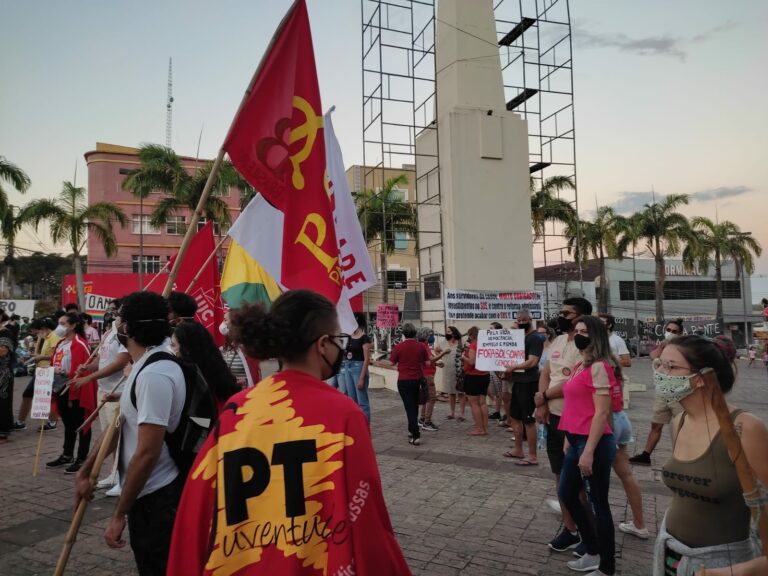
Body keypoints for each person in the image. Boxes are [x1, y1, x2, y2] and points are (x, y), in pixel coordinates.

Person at [166, 289, 411, 575]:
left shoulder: (237, 409)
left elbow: (197, 509)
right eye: (338, 340)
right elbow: (368, 519)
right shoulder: (344, 414)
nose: (340, 349)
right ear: (323, 344)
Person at [74, 291, 186, 576]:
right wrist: (87, 470)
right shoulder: (141, 366)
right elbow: (122, 424)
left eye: (119, 316)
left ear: (127, 327)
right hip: (145, 494)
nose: (116, 321)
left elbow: (148, 452)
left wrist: (119, 513)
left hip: (156, 495)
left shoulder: (154, 374)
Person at [652, 335, 768, 575]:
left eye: (670, 367)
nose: (661, 373)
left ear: (701, 378)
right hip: (670, 552)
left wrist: (746, 570)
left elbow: (764, 509)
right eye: (659, 364)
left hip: (723, 563)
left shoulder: (745, 428)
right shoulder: (678, 422)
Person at [557, 315, 621, 575]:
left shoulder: (600, 367)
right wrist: (567, 437)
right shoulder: (581, 364)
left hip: (593, 442)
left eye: (584, 331)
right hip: (575, 439)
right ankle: (592, 548)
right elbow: (573, 403)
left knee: (598, 503)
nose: (578, 334)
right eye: (577, 330)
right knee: (567, 493)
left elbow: (601, 412)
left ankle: (606, 566)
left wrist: (589, 450)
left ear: (595, 336)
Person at [535, 296, 593, 552]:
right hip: (553, 417)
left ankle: (587, 533)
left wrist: (545, 396)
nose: (562, 317)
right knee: (560, 477)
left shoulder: (587, 345)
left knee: (578, 484)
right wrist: (542, 403)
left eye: (567, 314)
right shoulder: (558, 340)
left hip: (576, 421)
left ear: (581, 317)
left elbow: (575, 382)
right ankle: (569, 529)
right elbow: (547, 372)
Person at [69, 299, 131, 496]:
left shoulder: (124, 334)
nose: (113, 313)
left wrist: (90, 378)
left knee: (120, 437)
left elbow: (120, 362)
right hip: (104, 390)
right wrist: (89, 367)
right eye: (113, 310)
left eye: (116, 310)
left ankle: (124, 478)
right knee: (108, 435)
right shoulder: (109, 332)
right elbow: (103, 359)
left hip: (117, 389)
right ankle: (114, 474)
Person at [598, 314, 648, 541]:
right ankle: (640, 524)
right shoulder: (610, 358)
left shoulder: (597, 361)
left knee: (587, 474)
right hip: (620, 418)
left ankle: (582, 516)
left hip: (606, 421)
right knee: (626, 473)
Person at [630, 318, 685, 465]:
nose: (670, 333)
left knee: (681, 425)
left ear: (680, 334)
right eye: (669, 330)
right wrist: (662, 347)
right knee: (656, 424)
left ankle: (683, 457)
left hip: (679, 392)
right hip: (662, 391)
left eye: (674, 332)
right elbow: (653, 356)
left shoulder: (684, 347)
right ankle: (646, 455)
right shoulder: (663, 345)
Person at [46, 313, 96, 473]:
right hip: (60, 387)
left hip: (76, 389)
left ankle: (82, 458)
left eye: (63, 323)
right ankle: (67, 454)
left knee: (81, 423)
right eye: (58, 323)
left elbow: (84, 370)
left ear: (73, 325)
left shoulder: (80, 344)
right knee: (68, 423)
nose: (59, 326)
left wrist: (69, 375)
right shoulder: (61, 343)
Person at [375, 323, 430, 446]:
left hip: (404, 380)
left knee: (409, 407)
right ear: (415, 333)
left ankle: (415, 435)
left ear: (404, 333)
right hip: (418, 380)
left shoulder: (399, 347)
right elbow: (427, 363)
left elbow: (390, 363)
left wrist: (378, 363)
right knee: (414, 406)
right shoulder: (421, 346)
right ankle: (411, 429)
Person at [172, 320, 240, 413]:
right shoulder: (219, 371)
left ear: (187, 349)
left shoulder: (189, 379)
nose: (171, 350)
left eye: (173, 345)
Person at [503, 309, 543, 466]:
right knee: (515, 417)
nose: (520, 323)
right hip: (518, 381)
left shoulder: (535, 338)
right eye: (518, 321)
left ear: (530, 319)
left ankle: (532, 455)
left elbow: (532, 362)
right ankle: (518, 449)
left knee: (528, 419)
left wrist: (513, 367)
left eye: (523, 320)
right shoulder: (520, 337)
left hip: (529, 382)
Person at [219, 310, 262, 389]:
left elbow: (253, 376)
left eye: (225, 320)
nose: (222, 324)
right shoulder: (223, 348)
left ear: (235, 323)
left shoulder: (247, 349)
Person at [343, 313, 373, 422]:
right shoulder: (348, 336)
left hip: (358, 368)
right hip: (348, 366)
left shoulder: (364, 338)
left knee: (362, 402)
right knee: (352, 400)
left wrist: (361, 377)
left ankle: (365, 426)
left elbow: (367, 359)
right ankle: (356, 425)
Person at [462, 326, 490, 437]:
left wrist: (463, 357)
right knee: (482, 402)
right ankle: (485, 428)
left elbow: (472, 361)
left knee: (474, 403)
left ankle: (479, 428)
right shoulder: (485, 344)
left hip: (474, 376)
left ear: (471, 335)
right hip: (484, 375)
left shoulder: (474, 344)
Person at [418, 327, 448, 432]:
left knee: (427, 398)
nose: (432, 337)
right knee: (431, 398)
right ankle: (427, 421)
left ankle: (422, 418)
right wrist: (443, 353)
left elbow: (428, 361)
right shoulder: (424, 346)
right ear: (426, 336)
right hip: (427, 376)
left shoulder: (423, 346)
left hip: (427, 374)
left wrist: (437, 364)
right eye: (430, 335)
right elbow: (430, 360)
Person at [435, 326, 463, 420]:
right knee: (451, 392)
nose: (448, 333)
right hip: (447, 370)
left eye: (449, 331)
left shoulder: (460, 342)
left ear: (454, 332)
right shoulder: (443, 343)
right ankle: (452, 412)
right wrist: (440, 358)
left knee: (461, 392)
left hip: (459, 371)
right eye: (446, 331)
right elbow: (436, 350)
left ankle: (462, 414)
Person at [487, 322, 505, 421]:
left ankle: (504, 412)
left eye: (491, 328)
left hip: (499, 368)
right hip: (492, 368)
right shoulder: (489, 340)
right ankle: (497, 411)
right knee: (496, 392)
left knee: (501, 391)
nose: (489, 330)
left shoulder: (502, 341)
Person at [0, 325, 14, 442]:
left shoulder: (5, 333)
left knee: (3, 403)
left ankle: (3, 432)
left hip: (3, 375)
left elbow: (3, 351)